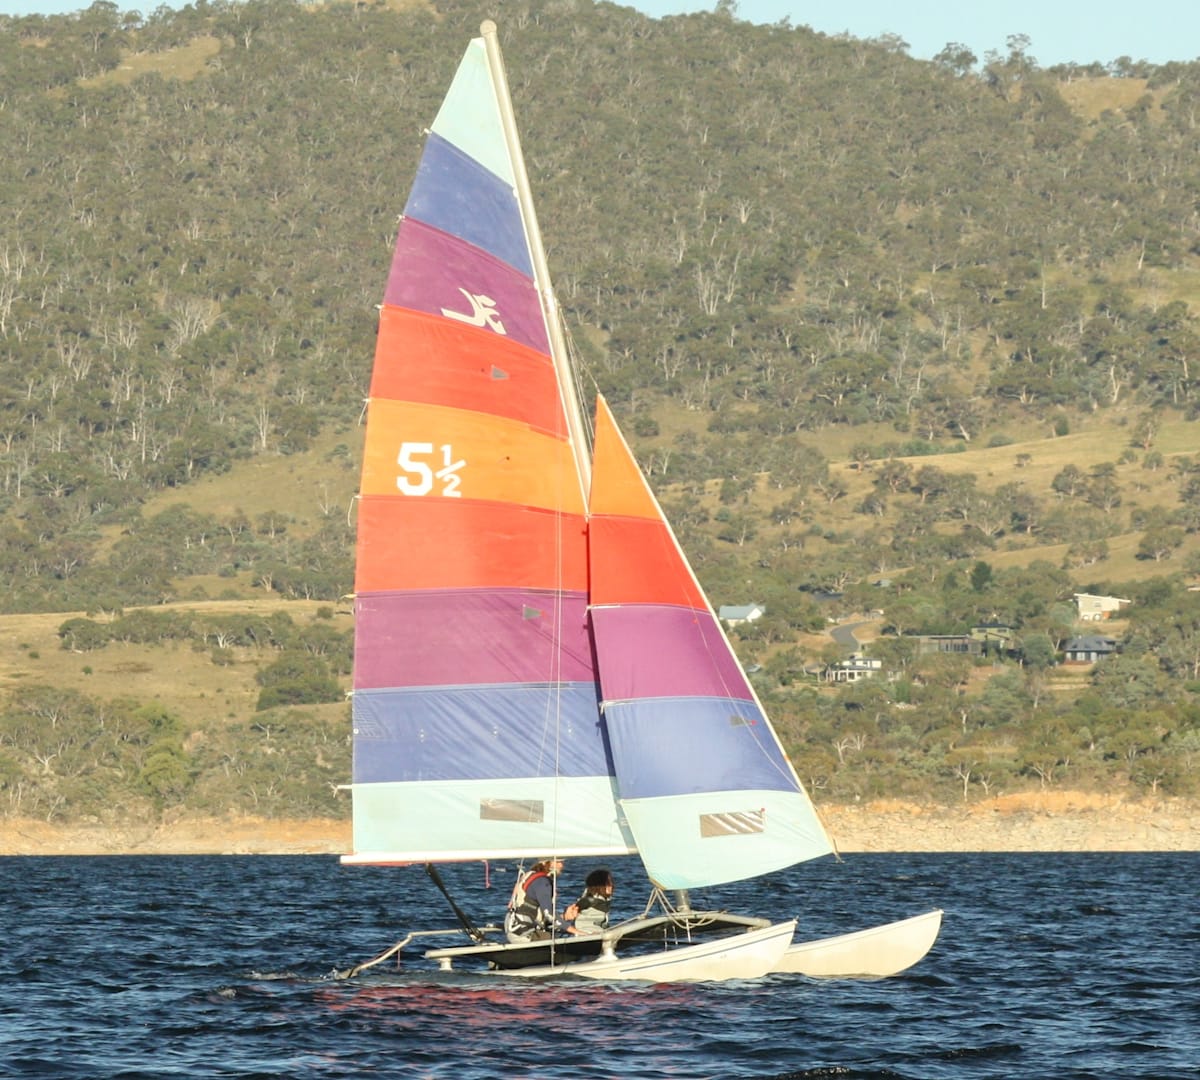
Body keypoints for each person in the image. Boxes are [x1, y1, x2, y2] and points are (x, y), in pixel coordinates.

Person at [504, 858, 573, 942]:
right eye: (557, 862)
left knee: (559, 931)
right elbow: (549, 914)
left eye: (561, 862)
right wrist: (575, 931)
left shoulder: (529, 876)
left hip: (514, 930)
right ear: (545, 863)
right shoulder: (542, 882)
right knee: (568, 935)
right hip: (525, 933)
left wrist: (564, 917)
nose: (561, 865)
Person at [563, 868, 614, 936]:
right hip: (585, 934)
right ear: (599, 885)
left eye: (611, 882)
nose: (611, 886)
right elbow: (572, 911)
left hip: (599, 932)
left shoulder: (605, 900)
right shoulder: (588, 900)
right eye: (608, 883)